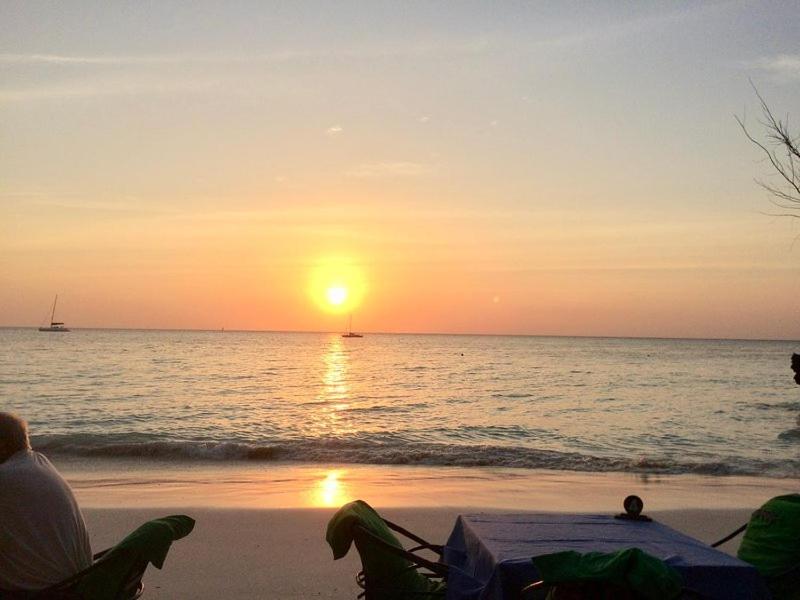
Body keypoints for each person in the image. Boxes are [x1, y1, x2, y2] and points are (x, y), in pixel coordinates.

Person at [0, 412, 92, 591]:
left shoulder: (6, 477)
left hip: (43, 592)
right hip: (76, 583)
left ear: (2, 446)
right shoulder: (40, 464)